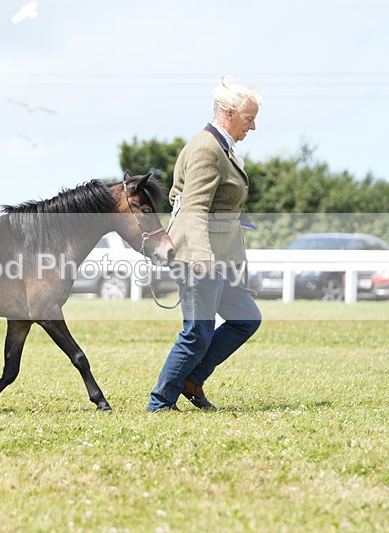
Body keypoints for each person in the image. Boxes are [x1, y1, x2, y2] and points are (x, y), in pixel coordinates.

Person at [147, 76, 263, 412]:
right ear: (228, 113)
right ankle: (160, 403)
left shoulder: (220, 146)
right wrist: (200, 255)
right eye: (249, 119)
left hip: (219, 255)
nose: (253, 127)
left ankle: (191, 379)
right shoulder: (206, 148)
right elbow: (192, 206)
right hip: (201, 255)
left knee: (246, 319)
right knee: (197, 331)